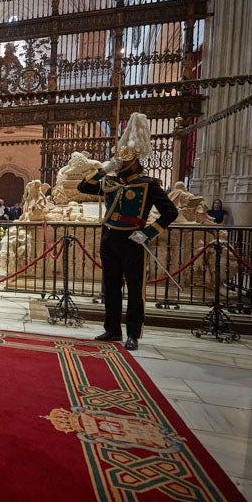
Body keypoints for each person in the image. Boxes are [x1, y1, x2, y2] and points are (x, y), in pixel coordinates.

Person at [77, 113, 178, 351]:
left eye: (122, 163)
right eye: (118, 163)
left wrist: (148, 233)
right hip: (110, 237)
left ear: (133, 164)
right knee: (111, 287)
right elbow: (83, 186)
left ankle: (133, 333)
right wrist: (104, 169)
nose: (119, 166)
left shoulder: (148, 185)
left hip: (133, 239)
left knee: (134, 289)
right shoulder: (111, 183)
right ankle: (112, 329)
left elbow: (170, 212)